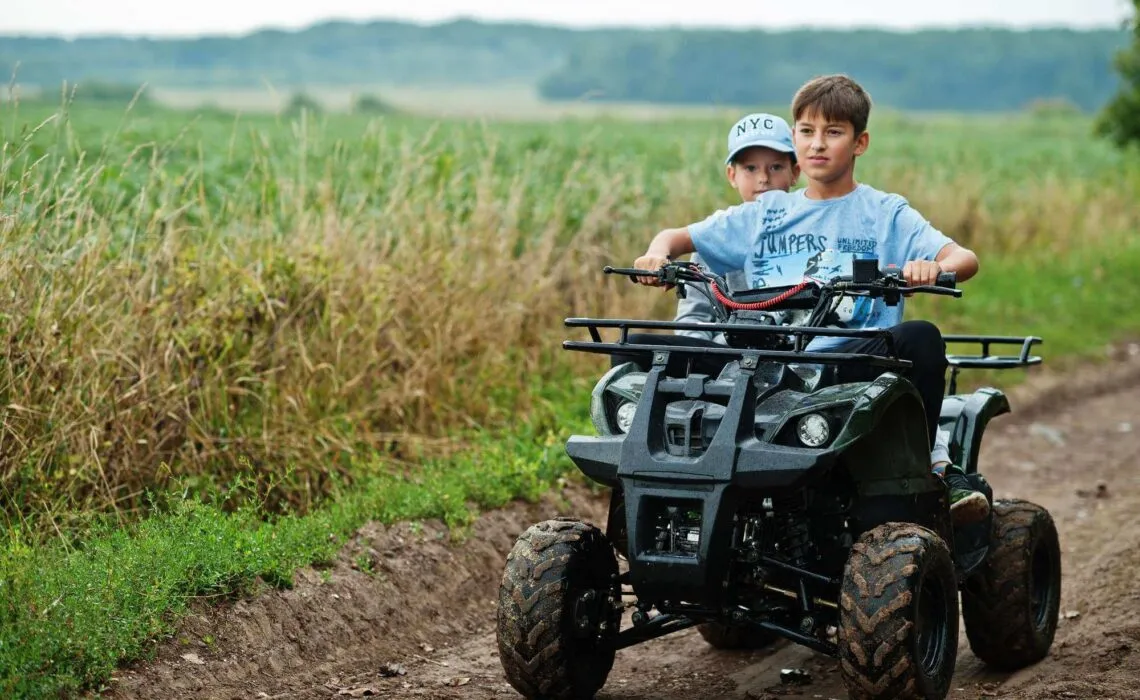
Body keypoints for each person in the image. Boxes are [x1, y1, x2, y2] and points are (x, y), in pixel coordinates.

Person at [630, 74, 988, 526]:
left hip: (847, 361)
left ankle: (927, 471)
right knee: (642, 349)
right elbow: (676, 237)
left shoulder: (886, 212)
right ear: (795, 136)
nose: (817, 144)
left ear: (860, 143)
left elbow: (964, 257)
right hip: (761, 361)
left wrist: (933, 267)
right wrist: (657, 255)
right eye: (806, 132)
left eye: (833, 133)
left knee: (920, 337)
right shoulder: (767, 211)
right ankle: (658, 492)